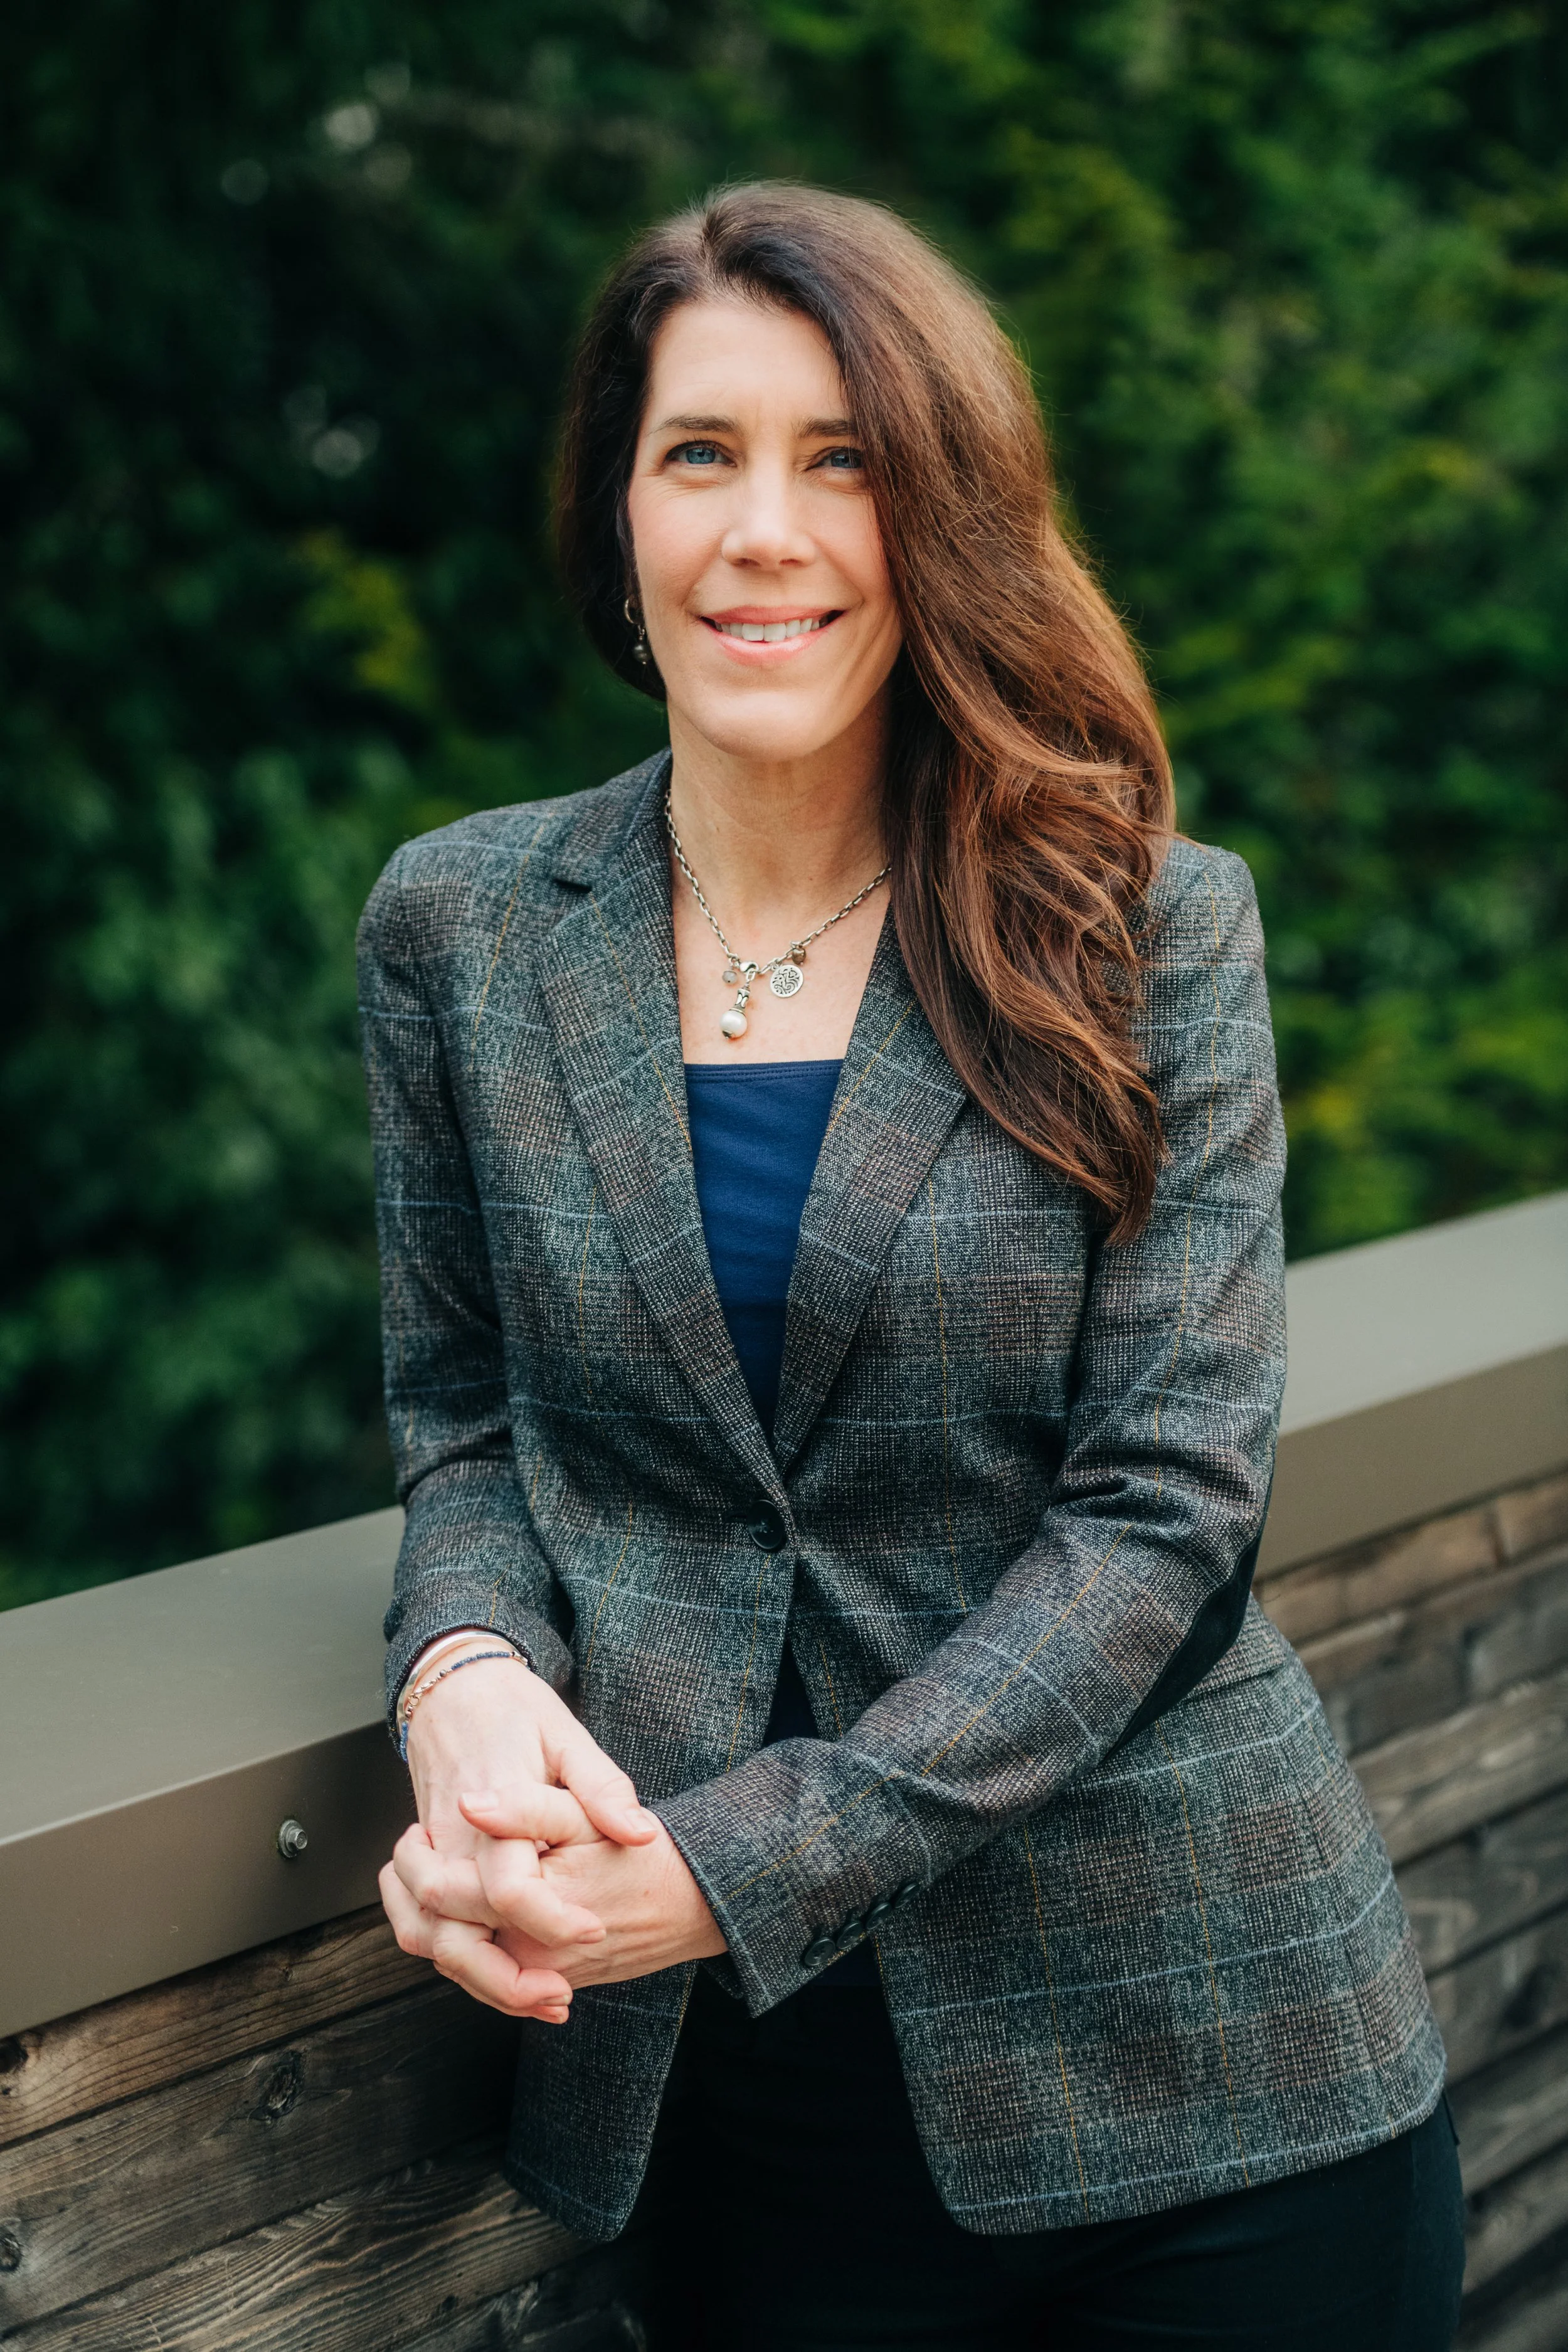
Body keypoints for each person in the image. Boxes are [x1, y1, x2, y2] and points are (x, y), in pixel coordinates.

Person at [361, 183, 1465, 2350]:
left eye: (841, 459)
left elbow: (1165, 1515)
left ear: (938, 516)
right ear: (618, 518)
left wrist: (720, 1869)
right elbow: (463, 1418)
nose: (763, 530)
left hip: (1209, 2095)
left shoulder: (1140, 922)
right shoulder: (462, 929)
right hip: (738, 2121)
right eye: (702, 453)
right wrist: (460, 1672)